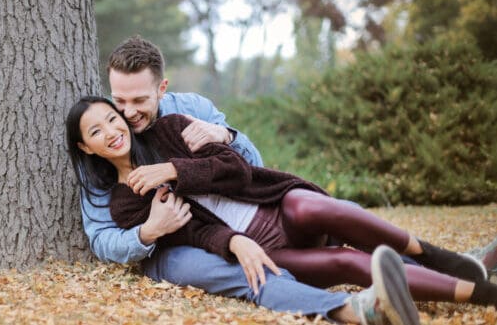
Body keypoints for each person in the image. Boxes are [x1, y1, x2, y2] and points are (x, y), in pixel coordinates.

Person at [67, 95, 497, 310]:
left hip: (273, 204)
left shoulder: (171, 128)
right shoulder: (125, 205)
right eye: (96, 131)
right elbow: (192, 233)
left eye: (111, 117)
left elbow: (236, 169)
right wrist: (234, 242)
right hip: (264, 246)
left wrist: (175, 170)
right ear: (87, 148)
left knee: (315, 207)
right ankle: (480, 293)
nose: (111, 130)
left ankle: (432, 254)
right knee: (343, 264)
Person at [79, 35, 291, 312]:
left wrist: (226, 136)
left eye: (140, 100)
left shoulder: (191, 110)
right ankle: (301, 293)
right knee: (236, 269)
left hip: (236, 216)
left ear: (161, 89)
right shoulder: (104, 129)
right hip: (170, 246)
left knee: (320, 212)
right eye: (119, 100)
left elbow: (252, 167)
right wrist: (148, 232)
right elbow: (100, 237)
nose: (127, 113)